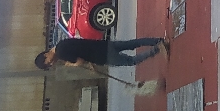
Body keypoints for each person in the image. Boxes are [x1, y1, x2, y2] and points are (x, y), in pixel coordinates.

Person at [35, 36, 167, 70]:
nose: (51, 63)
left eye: (48, 62)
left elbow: (79, 61)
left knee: (131, 61)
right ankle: (157, 41)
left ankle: (157, 48)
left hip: (103, 56)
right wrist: (90, 63)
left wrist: (71, 64)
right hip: (103, 45)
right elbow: (82, 48)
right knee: (132, 43)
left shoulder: (62, 54)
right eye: (49, 65)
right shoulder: (62, 43)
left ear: (45, 55)